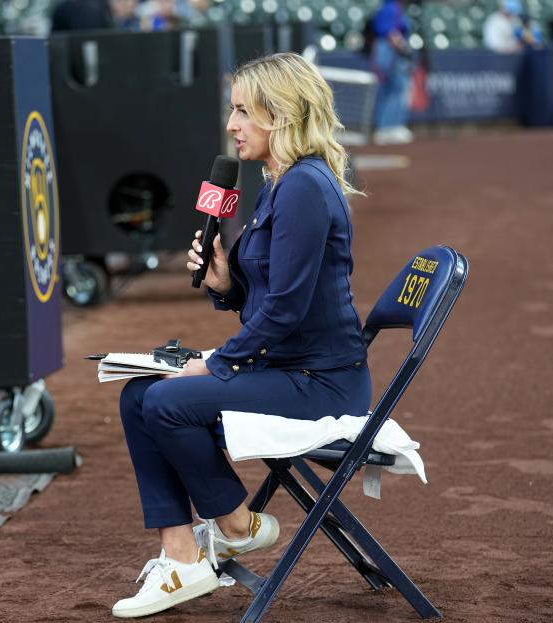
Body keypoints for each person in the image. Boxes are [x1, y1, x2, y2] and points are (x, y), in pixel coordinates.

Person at [113, 52, 371, 619]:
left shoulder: (304, 186)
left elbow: (285, 310)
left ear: (279, 115)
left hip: (321, 383)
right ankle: (181, 558)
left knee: (168, 402)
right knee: (137, 395)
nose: (231, 126)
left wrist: (218, 363)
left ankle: (235, 523)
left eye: (242, 112)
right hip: (288, 367)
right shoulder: (279, 184)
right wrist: (227, 284)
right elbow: (273, 303)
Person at [370, 0, 413, 144]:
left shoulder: (390, 7)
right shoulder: (392, 7)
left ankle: (385, 127)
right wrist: (403, 47)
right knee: (397, 87)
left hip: (383, 49)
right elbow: (390, 33)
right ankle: (391, 127)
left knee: (388, 89)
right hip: (388, 50)